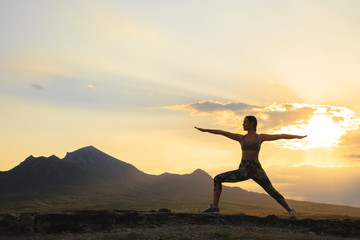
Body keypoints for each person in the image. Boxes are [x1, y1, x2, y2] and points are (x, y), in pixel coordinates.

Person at [194, 115, 307, 219]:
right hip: (243, 171)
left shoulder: (260, 137)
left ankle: (291, 211)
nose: (243, 124)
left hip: (257, 171)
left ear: (252, 123)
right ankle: (214, 208)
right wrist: (205, 130)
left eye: (245, 122)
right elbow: (221, 132)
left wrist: (297, 137)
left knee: (272, 191)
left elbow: (280, 136)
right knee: (218, 178)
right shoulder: (240, 138)